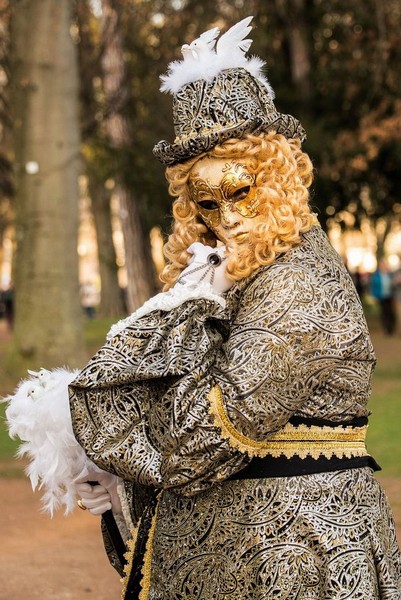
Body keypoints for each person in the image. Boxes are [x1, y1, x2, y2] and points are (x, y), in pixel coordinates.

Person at [7, 17, 400, 600]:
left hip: (292, 556)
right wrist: (114, 475)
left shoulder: (296, 285)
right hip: (238, 551)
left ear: (277, 178)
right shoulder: (229, 275)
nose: (227, 216)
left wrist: (175, 317)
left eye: (240, 191)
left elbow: (198, 435)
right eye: (205, 201)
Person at [370, 259, 397, 335]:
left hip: (390, 296)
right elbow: (373, 286)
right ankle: (386, 328)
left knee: (391, 313)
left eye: (385, 265)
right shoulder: (377, 275)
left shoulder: (390, 274)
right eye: (383, 265)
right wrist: (374, 296)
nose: (384, 266)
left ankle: (391, 328)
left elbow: (393, 285)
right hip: (381, 297)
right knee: (384, 313)